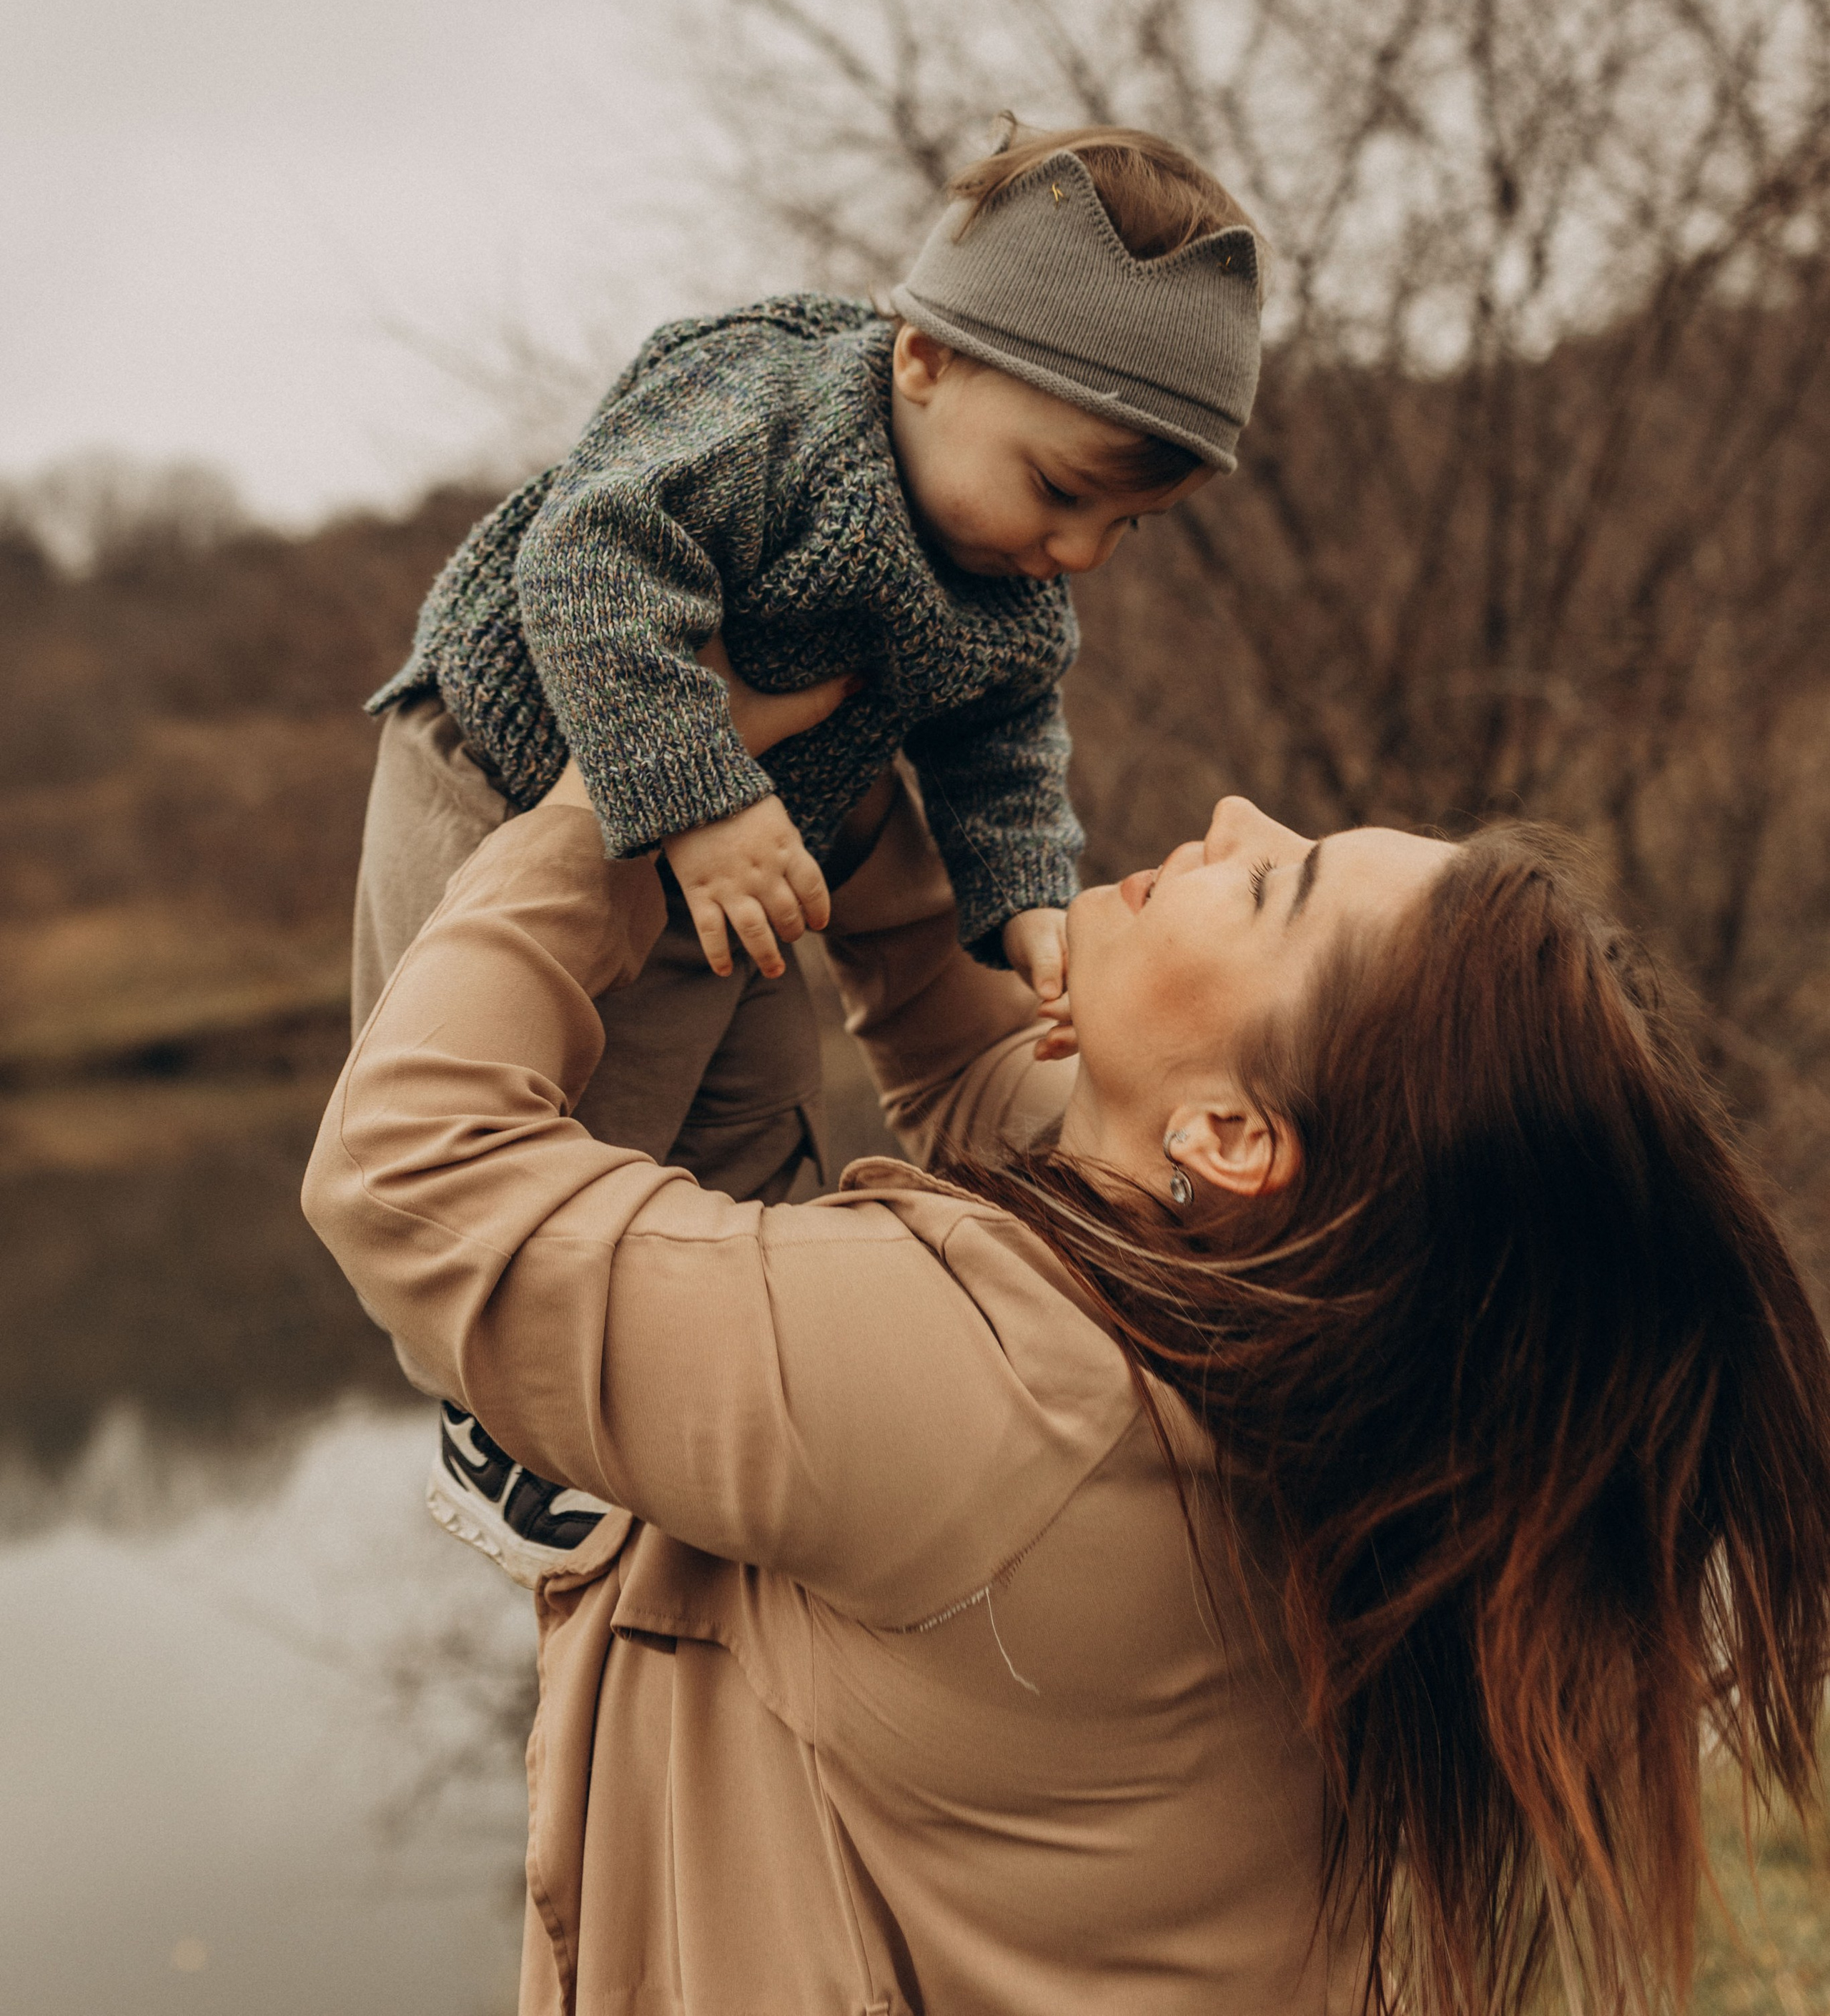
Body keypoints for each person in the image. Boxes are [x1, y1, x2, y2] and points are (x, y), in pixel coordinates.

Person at [305, 665, 1830, 2016]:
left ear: (1232, 1133)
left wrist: (627, 779)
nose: (1233, 817)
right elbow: (977, 1057)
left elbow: (411, 1171)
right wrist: (845, 800)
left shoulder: (989, 1394)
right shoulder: (1282, 1320)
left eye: (1273, 888)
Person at [352, 120, 1262, 1574]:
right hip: (515, 768)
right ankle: (498, 1419)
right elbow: (582, 558)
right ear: (926, 363)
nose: (1080, 553)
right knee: (591, 1095)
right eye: (1061, 492)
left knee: (765, 1088)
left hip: (761, 837)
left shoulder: (1007, 586)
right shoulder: (767, 411)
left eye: (1128, 526)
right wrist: (695, 794)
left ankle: (734, 1369)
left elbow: (1001, 747)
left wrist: (1027, 908)